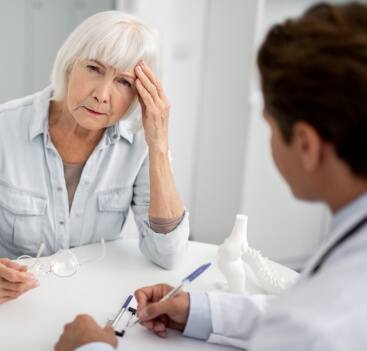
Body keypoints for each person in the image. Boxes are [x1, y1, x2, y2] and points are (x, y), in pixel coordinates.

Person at [55, 2, 367, 350]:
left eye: (269, 127)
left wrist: (89, 347)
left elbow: (305, 324)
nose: (103, 93)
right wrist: (200, 310)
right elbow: (303, 307)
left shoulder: (321, 327)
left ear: (306, 145)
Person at [0, 11, 189, 304]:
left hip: (90, 302)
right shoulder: (3, 126)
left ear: (139, 95)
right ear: (69, 66)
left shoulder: (141, 145)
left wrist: (159, 146)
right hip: (7, 305)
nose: (103, 95)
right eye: (94, 68)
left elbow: (167, 254)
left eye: (124, 82)